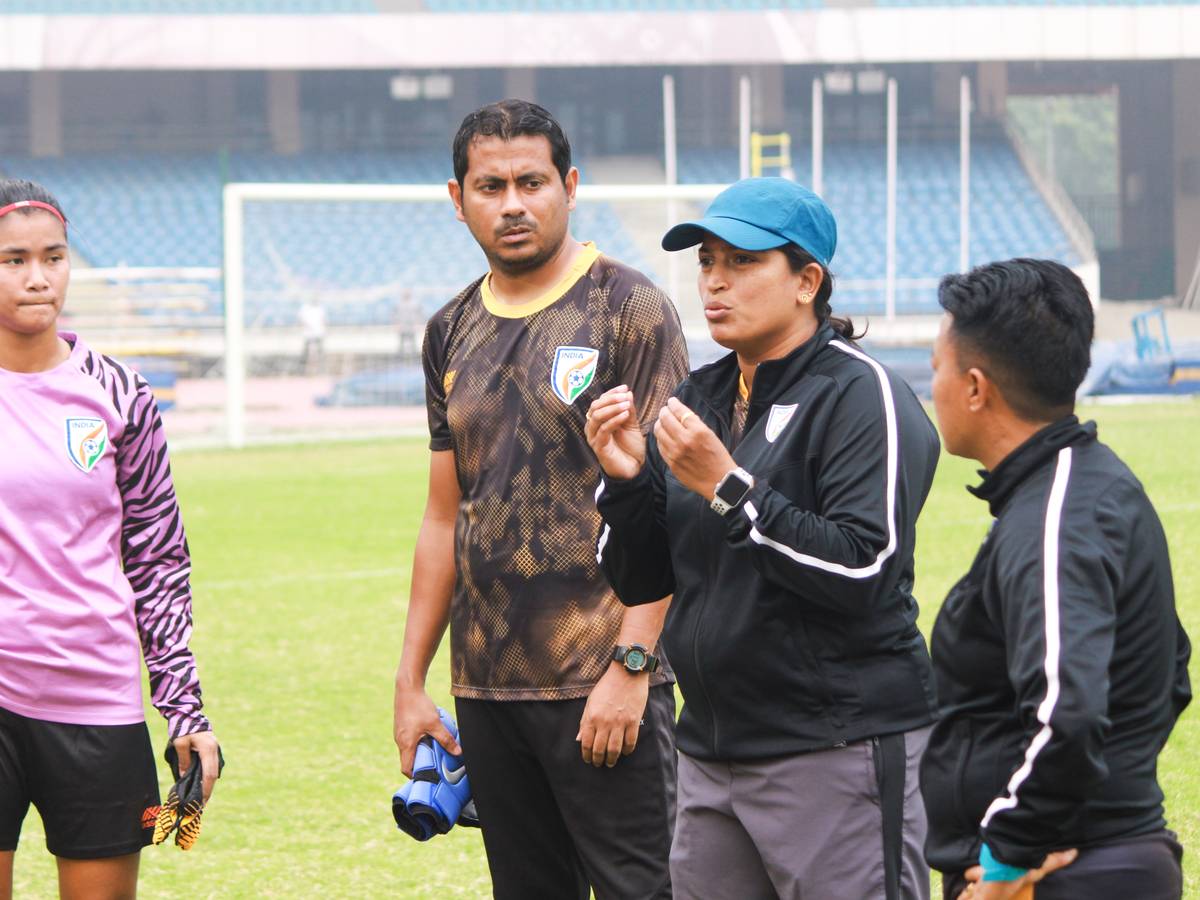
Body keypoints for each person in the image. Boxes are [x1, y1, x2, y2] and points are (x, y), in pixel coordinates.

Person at [587, 176, 941, 900]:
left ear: (807, 280)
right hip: (712, 753)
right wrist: (626, 486)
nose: (716, 282)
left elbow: (862, 568)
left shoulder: (859, 394)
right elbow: (644, 580)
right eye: (708, 262)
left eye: (743, 262)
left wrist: (728, 487)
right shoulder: (698, 398)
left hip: (834, 747)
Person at [391, 100, 687, 900]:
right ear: (459, 198)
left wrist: (633, 665)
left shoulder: (629, 308)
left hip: (603, 681)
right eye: (491, 186)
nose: (513, 203)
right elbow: (443, 516)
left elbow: (672, 511)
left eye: (532, 181)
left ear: (570, 186)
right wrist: (411, 679)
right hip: (485, 692)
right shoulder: (448, 329)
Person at [921, 258, 1192, 900]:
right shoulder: (1079, 486)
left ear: (976, 388)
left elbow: (1065, 710)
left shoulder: (1057, 514)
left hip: (1059, 875)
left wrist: (1009, 858)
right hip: (1095, 860)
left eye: (937, 368)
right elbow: (1171, 666)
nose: (932, 386)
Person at [0, 179, 221, 900]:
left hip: (96, 700)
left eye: (53, 257)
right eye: (12, 260)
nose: (38, 277)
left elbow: (157, 557)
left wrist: (183, 706)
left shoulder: (121, 393)